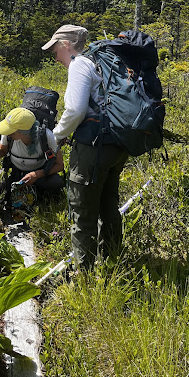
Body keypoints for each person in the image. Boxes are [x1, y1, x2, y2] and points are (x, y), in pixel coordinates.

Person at [41, 24, 129, 270]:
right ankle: (112, 263)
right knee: (108, 204)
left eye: (55, 49)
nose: (55, 56)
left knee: (83, 211)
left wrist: (56, 135)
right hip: (116, 145)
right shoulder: (98, 63)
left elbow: (76, 110)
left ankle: (85, 276)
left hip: (94, 148)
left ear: (66, 45)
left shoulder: (80, 64)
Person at [0, 107, 65, 203]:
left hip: (40, 174)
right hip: (14, 171)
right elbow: (2, 151)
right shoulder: (8, 134)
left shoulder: (46, 136)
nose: (8, 133)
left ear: (24, 131)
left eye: (12, 131)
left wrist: (36, 175)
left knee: (57, 183)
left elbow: (59, 165)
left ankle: (41, 201)